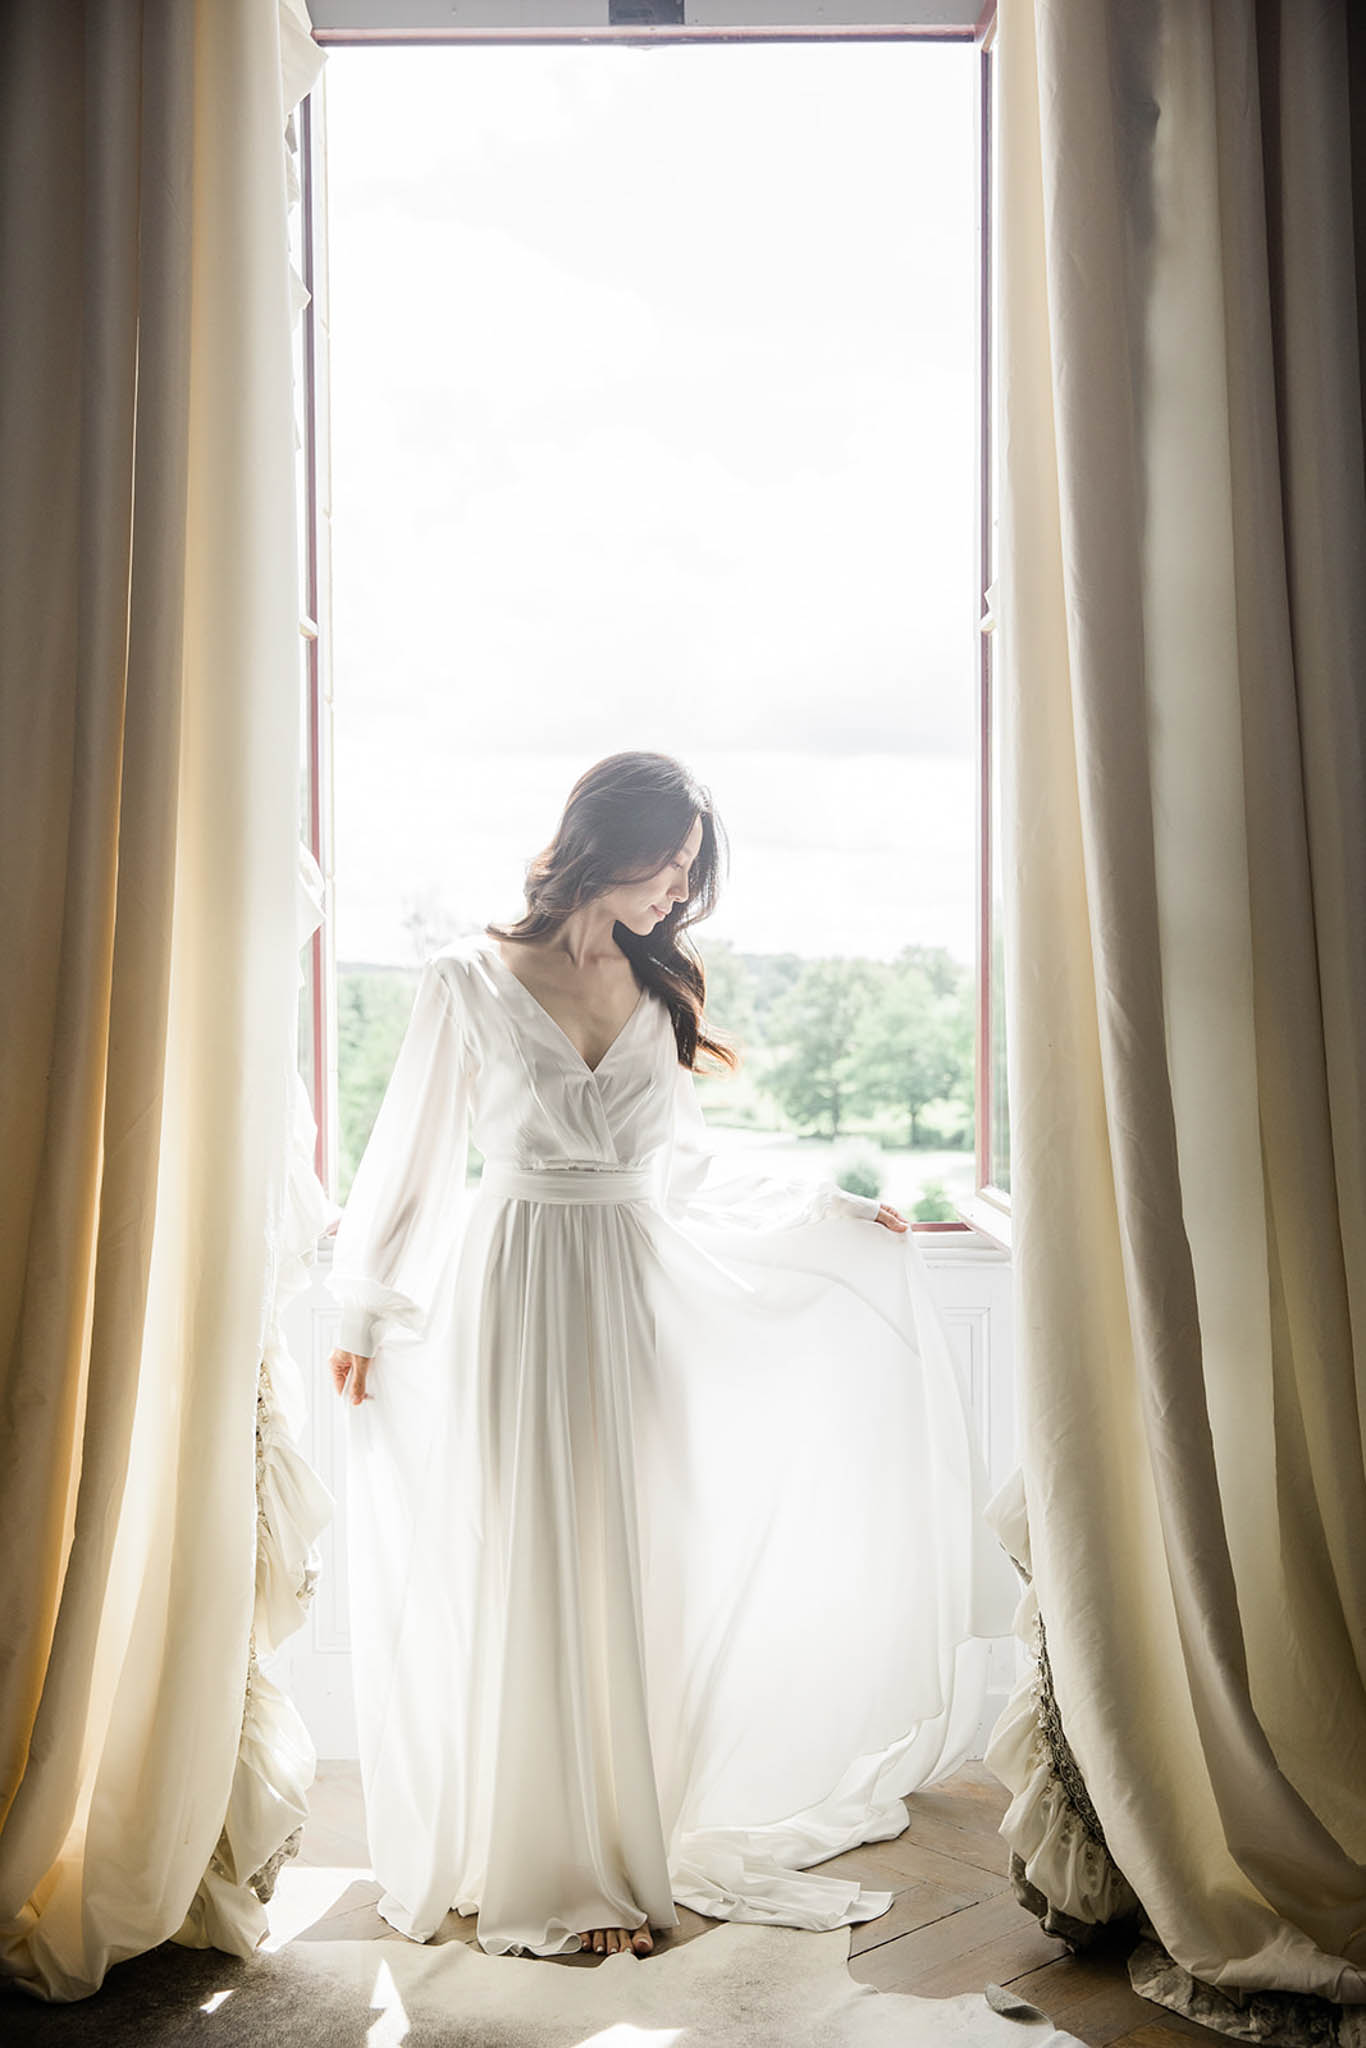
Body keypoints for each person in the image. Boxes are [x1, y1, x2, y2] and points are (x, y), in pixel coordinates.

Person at [325, 750, 1017, 1961]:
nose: (680, 889)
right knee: (529, 1560)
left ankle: (621, 1842)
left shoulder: (658, 989)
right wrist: (362, 1314)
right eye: (672, 862)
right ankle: (549, 1860)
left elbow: (686, 1170)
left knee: (636, 1565)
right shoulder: (467, 977)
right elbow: (413, 1159)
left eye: (694, 870)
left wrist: (833, 1210)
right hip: (518, 1289)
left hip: (634, 1296)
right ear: (608, 841)